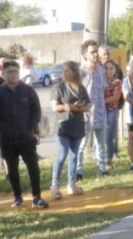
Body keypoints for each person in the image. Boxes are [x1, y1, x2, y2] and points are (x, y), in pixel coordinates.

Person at [0, 60, 48, 209]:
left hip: (27, 137)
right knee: (12, 169)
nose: (12, 75)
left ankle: (37, 196)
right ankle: (17, 196)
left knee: (33, 166)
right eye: (9, 72)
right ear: (3, 74)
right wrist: (2, 128)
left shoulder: (28, 90)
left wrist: (30, 126)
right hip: (7, 139)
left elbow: (37, 110)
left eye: (15, 71)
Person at [49, 61, 89, 198]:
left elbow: (88, 106)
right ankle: (55, 185)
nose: (65, 73)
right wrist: (70, 107)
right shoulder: (59, 88)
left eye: (68, 71)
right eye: (63, 71)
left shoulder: (81, 88)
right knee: (62, 154)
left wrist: (79, 107)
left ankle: (72, 184)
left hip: (77, 125)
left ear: (75, 72)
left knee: (74, 155)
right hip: (63, 127)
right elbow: (55, 107)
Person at [77, 39, 108, 178]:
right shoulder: (81, 72)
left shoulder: (101, 69)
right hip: (85, 114)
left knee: (101, 143)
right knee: (81, 145)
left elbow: (104, 87)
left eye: (97, 51)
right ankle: (78, 171)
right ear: (85, 54)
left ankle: (101, 169)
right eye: (92, 52)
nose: (96, 54)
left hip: (100, 112)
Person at [103, 60, 123, 169]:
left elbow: (115, 97)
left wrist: (101, 100)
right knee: (102, 136)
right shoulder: (101, 81)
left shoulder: (117, 82)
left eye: (111, 68)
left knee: (108, 136)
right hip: (101, 111)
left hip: (111, 110)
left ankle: (108, 160)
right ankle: (101, 159)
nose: (109, 71)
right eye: (107, 68)